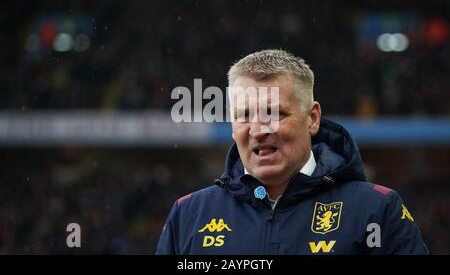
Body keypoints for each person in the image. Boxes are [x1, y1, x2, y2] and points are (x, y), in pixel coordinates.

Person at [156, 49, 429, 254]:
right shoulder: (188, 215)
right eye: (244, 115)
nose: (259, 129)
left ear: (312, 118)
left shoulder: (376, 210)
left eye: (274, 113)